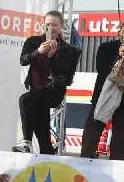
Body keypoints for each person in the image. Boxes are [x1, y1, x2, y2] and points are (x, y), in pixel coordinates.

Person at [16, 11, 79, 155]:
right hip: (35, 90)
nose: (51, 28)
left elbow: (66, 78)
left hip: (53, 93)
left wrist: (51, 57)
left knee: (25, 99)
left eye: (55, 25)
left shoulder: (69, 50)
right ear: (43, 25)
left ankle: (27, 142)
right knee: (43, 136)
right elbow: (23, 61)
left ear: (61, 26)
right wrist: (38, 52)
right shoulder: (33, 42)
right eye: (48, 25)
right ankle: (47, 155)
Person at [81, 23, 124, 160]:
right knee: (90, 138)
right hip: (103, 98)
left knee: (120, 144)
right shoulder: (106, 47)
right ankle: (85, 165)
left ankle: (117, 169)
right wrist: (119, 57)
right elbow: (102, 71)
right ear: (119, 32)